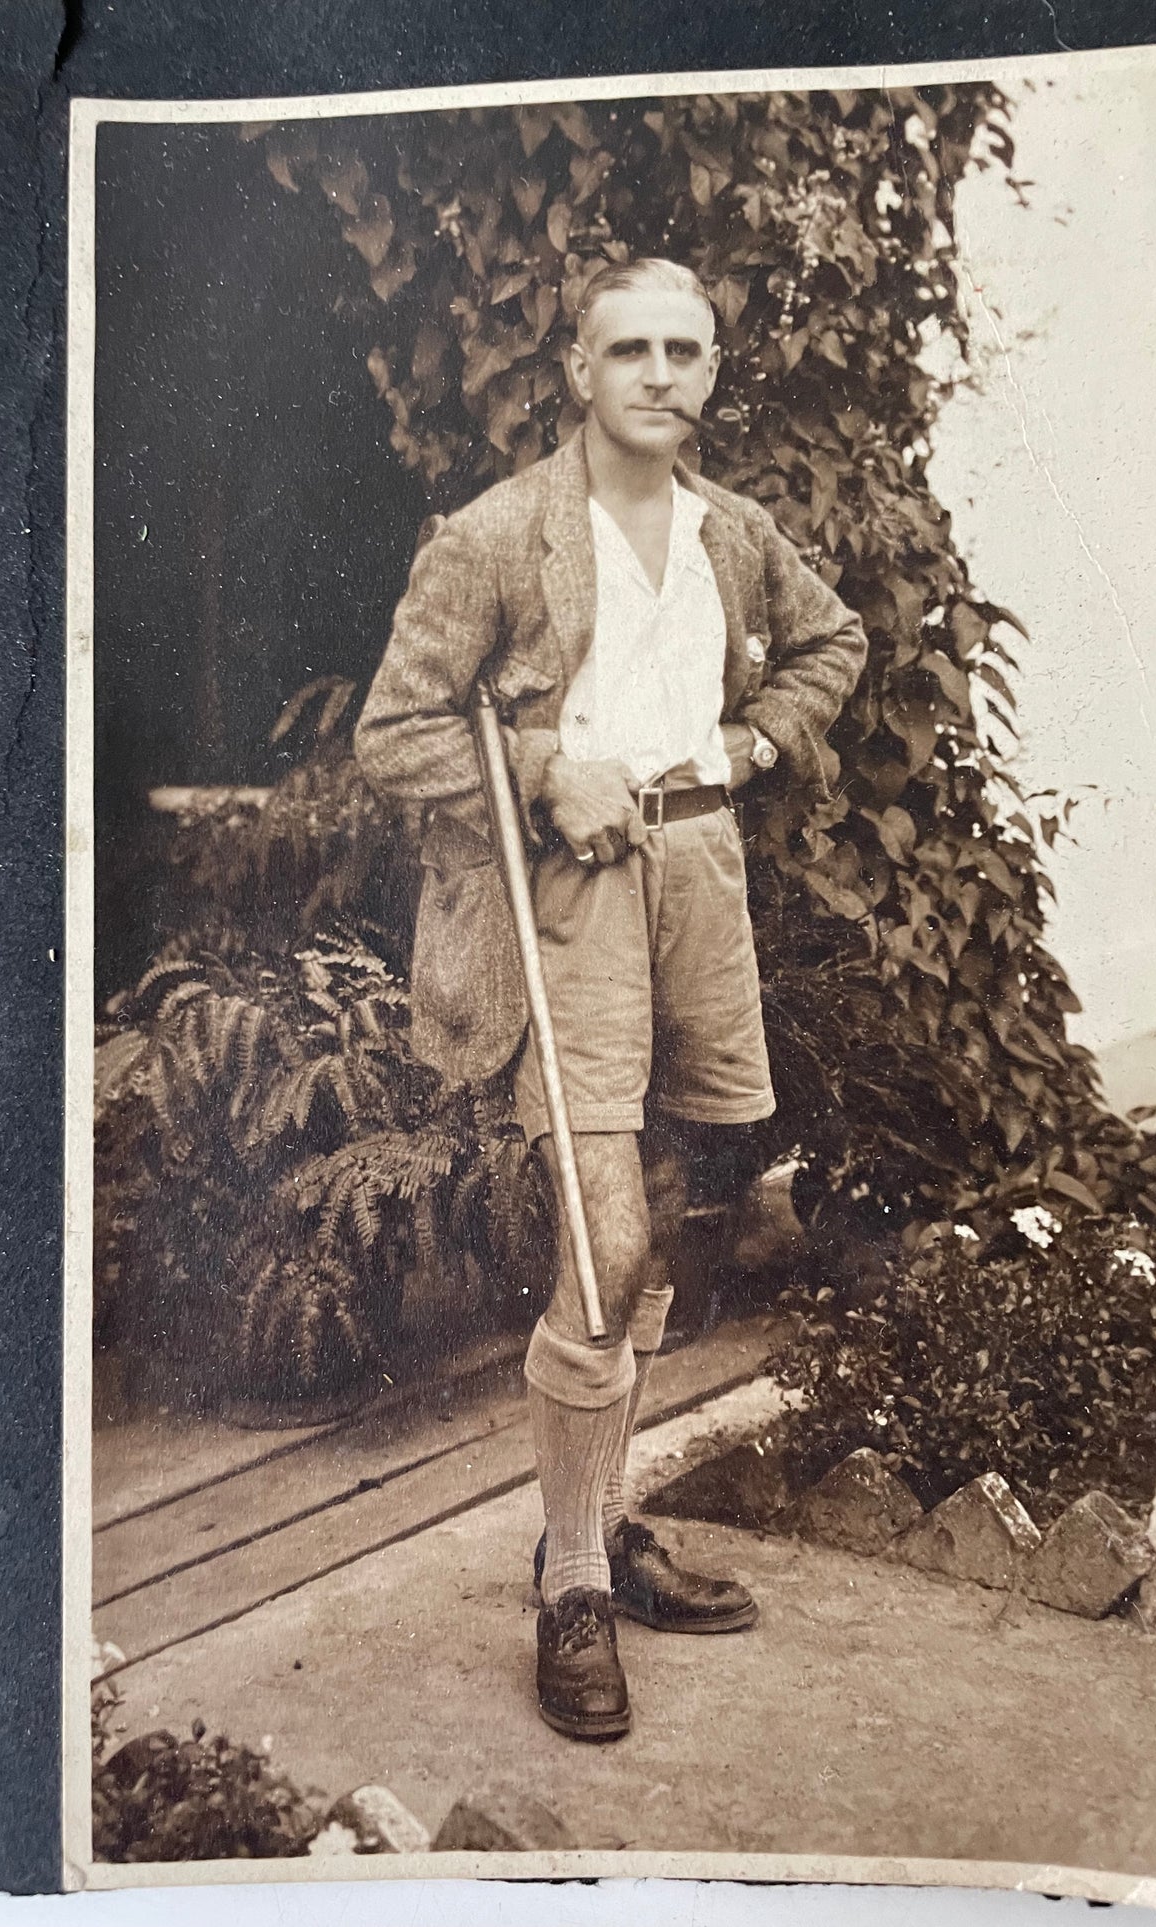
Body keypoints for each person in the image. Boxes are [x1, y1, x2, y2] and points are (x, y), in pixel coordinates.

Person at [354, 258, 867, 1741]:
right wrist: (538, 771)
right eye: (626, 349)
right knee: (605, 1242)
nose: (658, 374)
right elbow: (396, 736)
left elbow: (828, 644)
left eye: (684, 350)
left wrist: (756, 748)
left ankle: (591, 1521)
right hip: (566, 891)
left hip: (697, 873)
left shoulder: (733, 531)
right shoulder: (498, 536)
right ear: (576, 371)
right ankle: (572, 1576)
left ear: (710, 370)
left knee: (668, 1215)